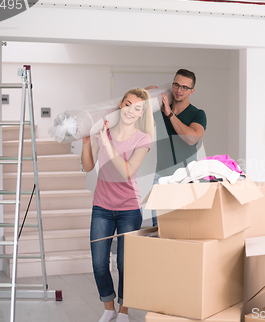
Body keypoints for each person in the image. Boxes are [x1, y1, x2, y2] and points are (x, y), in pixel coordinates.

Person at [81, 88, 154, 322]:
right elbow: (87, 166)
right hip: (101, 207)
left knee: (125, 264)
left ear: (141, 113)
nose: (131, 110)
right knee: (99, 262)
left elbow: (127, 171)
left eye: (137, 108)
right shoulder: (105, 132)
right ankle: (109, 309)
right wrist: (86, 142)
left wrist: (105, 142)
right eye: (128, 104)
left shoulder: (143, 139)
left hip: (129, 209)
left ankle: (124, 311)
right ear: (121, 105)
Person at [149, 69, 207, 226]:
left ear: (191, 91)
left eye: (184, 87)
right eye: (176, 85)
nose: (179, 90)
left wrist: (170, 115)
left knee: (185, 228)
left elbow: (191, 138)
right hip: (161, 178)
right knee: (159, 228)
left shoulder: (197, 114)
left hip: (186, 180)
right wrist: (147, 93)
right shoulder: (159, 112)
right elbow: (136, 107)